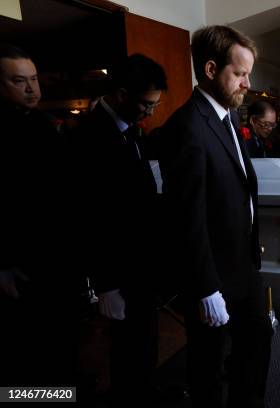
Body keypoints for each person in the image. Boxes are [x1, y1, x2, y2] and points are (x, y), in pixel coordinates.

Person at [158, 25, 272, 408]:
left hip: (242, 265)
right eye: (240, 73)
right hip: (212, 277)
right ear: (210, 69)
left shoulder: (226, 118)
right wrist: (206, 287)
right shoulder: (187, 126)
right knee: (207, 368)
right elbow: (186, 217)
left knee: (255, 350)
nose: (247, 83)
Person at [73, 53, 168, 404]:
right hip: (119, 268)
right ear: (123, 94)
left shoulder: (132, 131)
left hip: (142, 261)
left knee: (145, 337)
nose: (151, 112)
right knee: (127, 344)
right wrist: (107, 284)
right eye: (146, 104)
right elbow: (91, 217)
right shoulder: (91, 135)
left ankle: (145, 388)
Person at [0, 44, 79, 387]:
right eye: (20, 81)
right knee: (25, 359)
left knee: (60, 351)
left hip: (58, 261)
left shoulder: (46, 126)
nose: (32, 88)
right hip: (19, 266)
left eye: (34, 79)